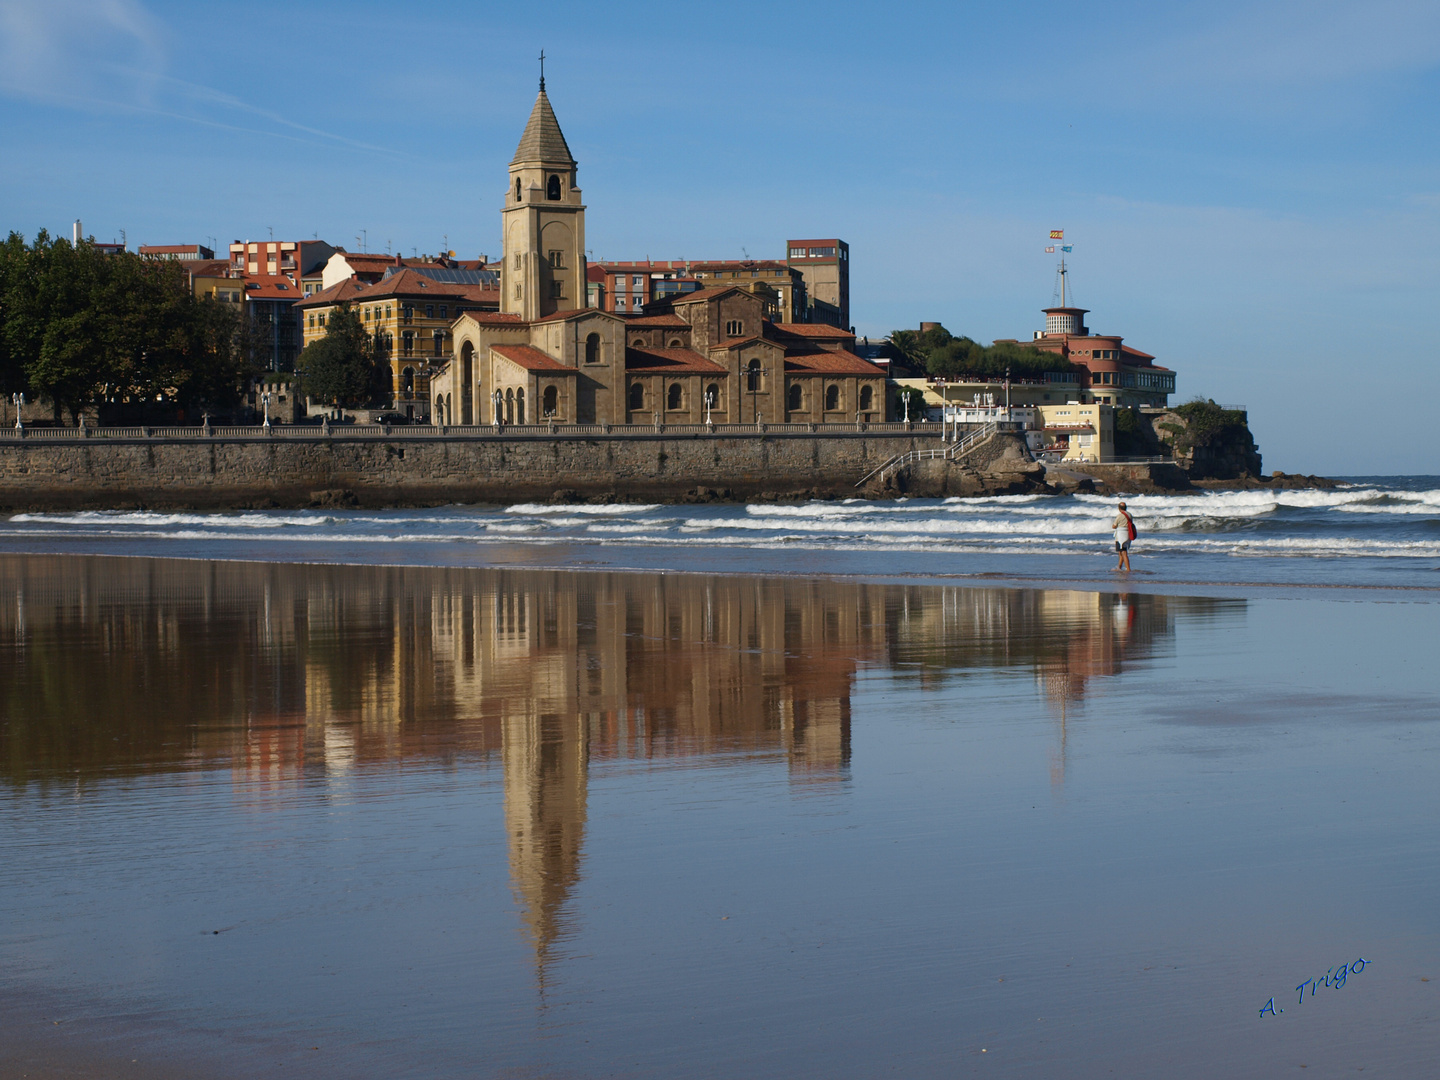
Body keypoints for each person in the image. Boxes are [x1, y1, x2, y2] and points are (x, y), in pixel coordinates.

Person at [1112, 501, 1135, 571]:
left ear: (1119, 508)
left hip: (1120, 535)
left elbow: (1114, 526)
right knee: (1121, 552)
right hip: (1127, 534)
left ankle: (1128, 569)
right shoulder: (1130, 515)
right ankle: (1119, 567)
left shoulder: (1119, 516)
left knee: (1123, 553)